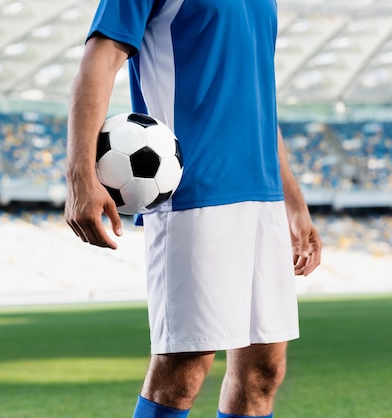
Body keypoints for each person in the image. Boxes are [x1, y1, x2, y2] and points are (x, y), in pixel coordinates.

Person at [64, 1, 323, 417]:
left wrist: (293, 203)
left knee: (263, 373)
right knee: (182, 371)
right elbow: (99, 60)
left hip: (264, 197)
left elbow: (256, 97)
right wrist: (80, 177)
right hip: (194, 194)